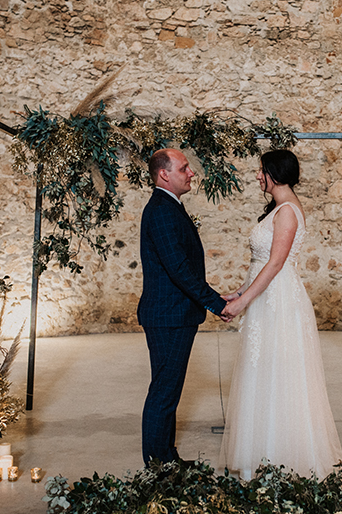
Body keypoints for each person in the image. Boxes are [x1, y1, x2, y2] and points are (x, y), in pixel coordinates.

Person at [220, 149, 342, 480]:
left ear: (274, 173)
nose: (257, 176)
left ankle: (283, 454)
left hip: (277, 299)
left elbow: (276, 264)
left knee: (279, 374)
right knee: (261, 370)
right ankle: (261, 451)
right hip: (265, 295)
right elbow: (262, 263)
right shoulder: (278, 209)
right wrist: (238, 292)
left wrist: (242, 302)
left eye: (261, 170)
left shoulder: (288, 212)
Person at [138, 148, 228, 466]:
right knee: (164, 392)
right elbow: (178, 268)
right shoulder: (162, 210)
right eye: (184, 168)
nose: (191, 173)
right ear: (165, 174)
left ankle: (167, 457)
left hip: (173, 314)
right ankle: (157, 464)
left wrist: (217, 298)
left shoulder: (169, 207)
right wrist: (217, 304)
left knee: (169, 391)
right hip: (168, 316)